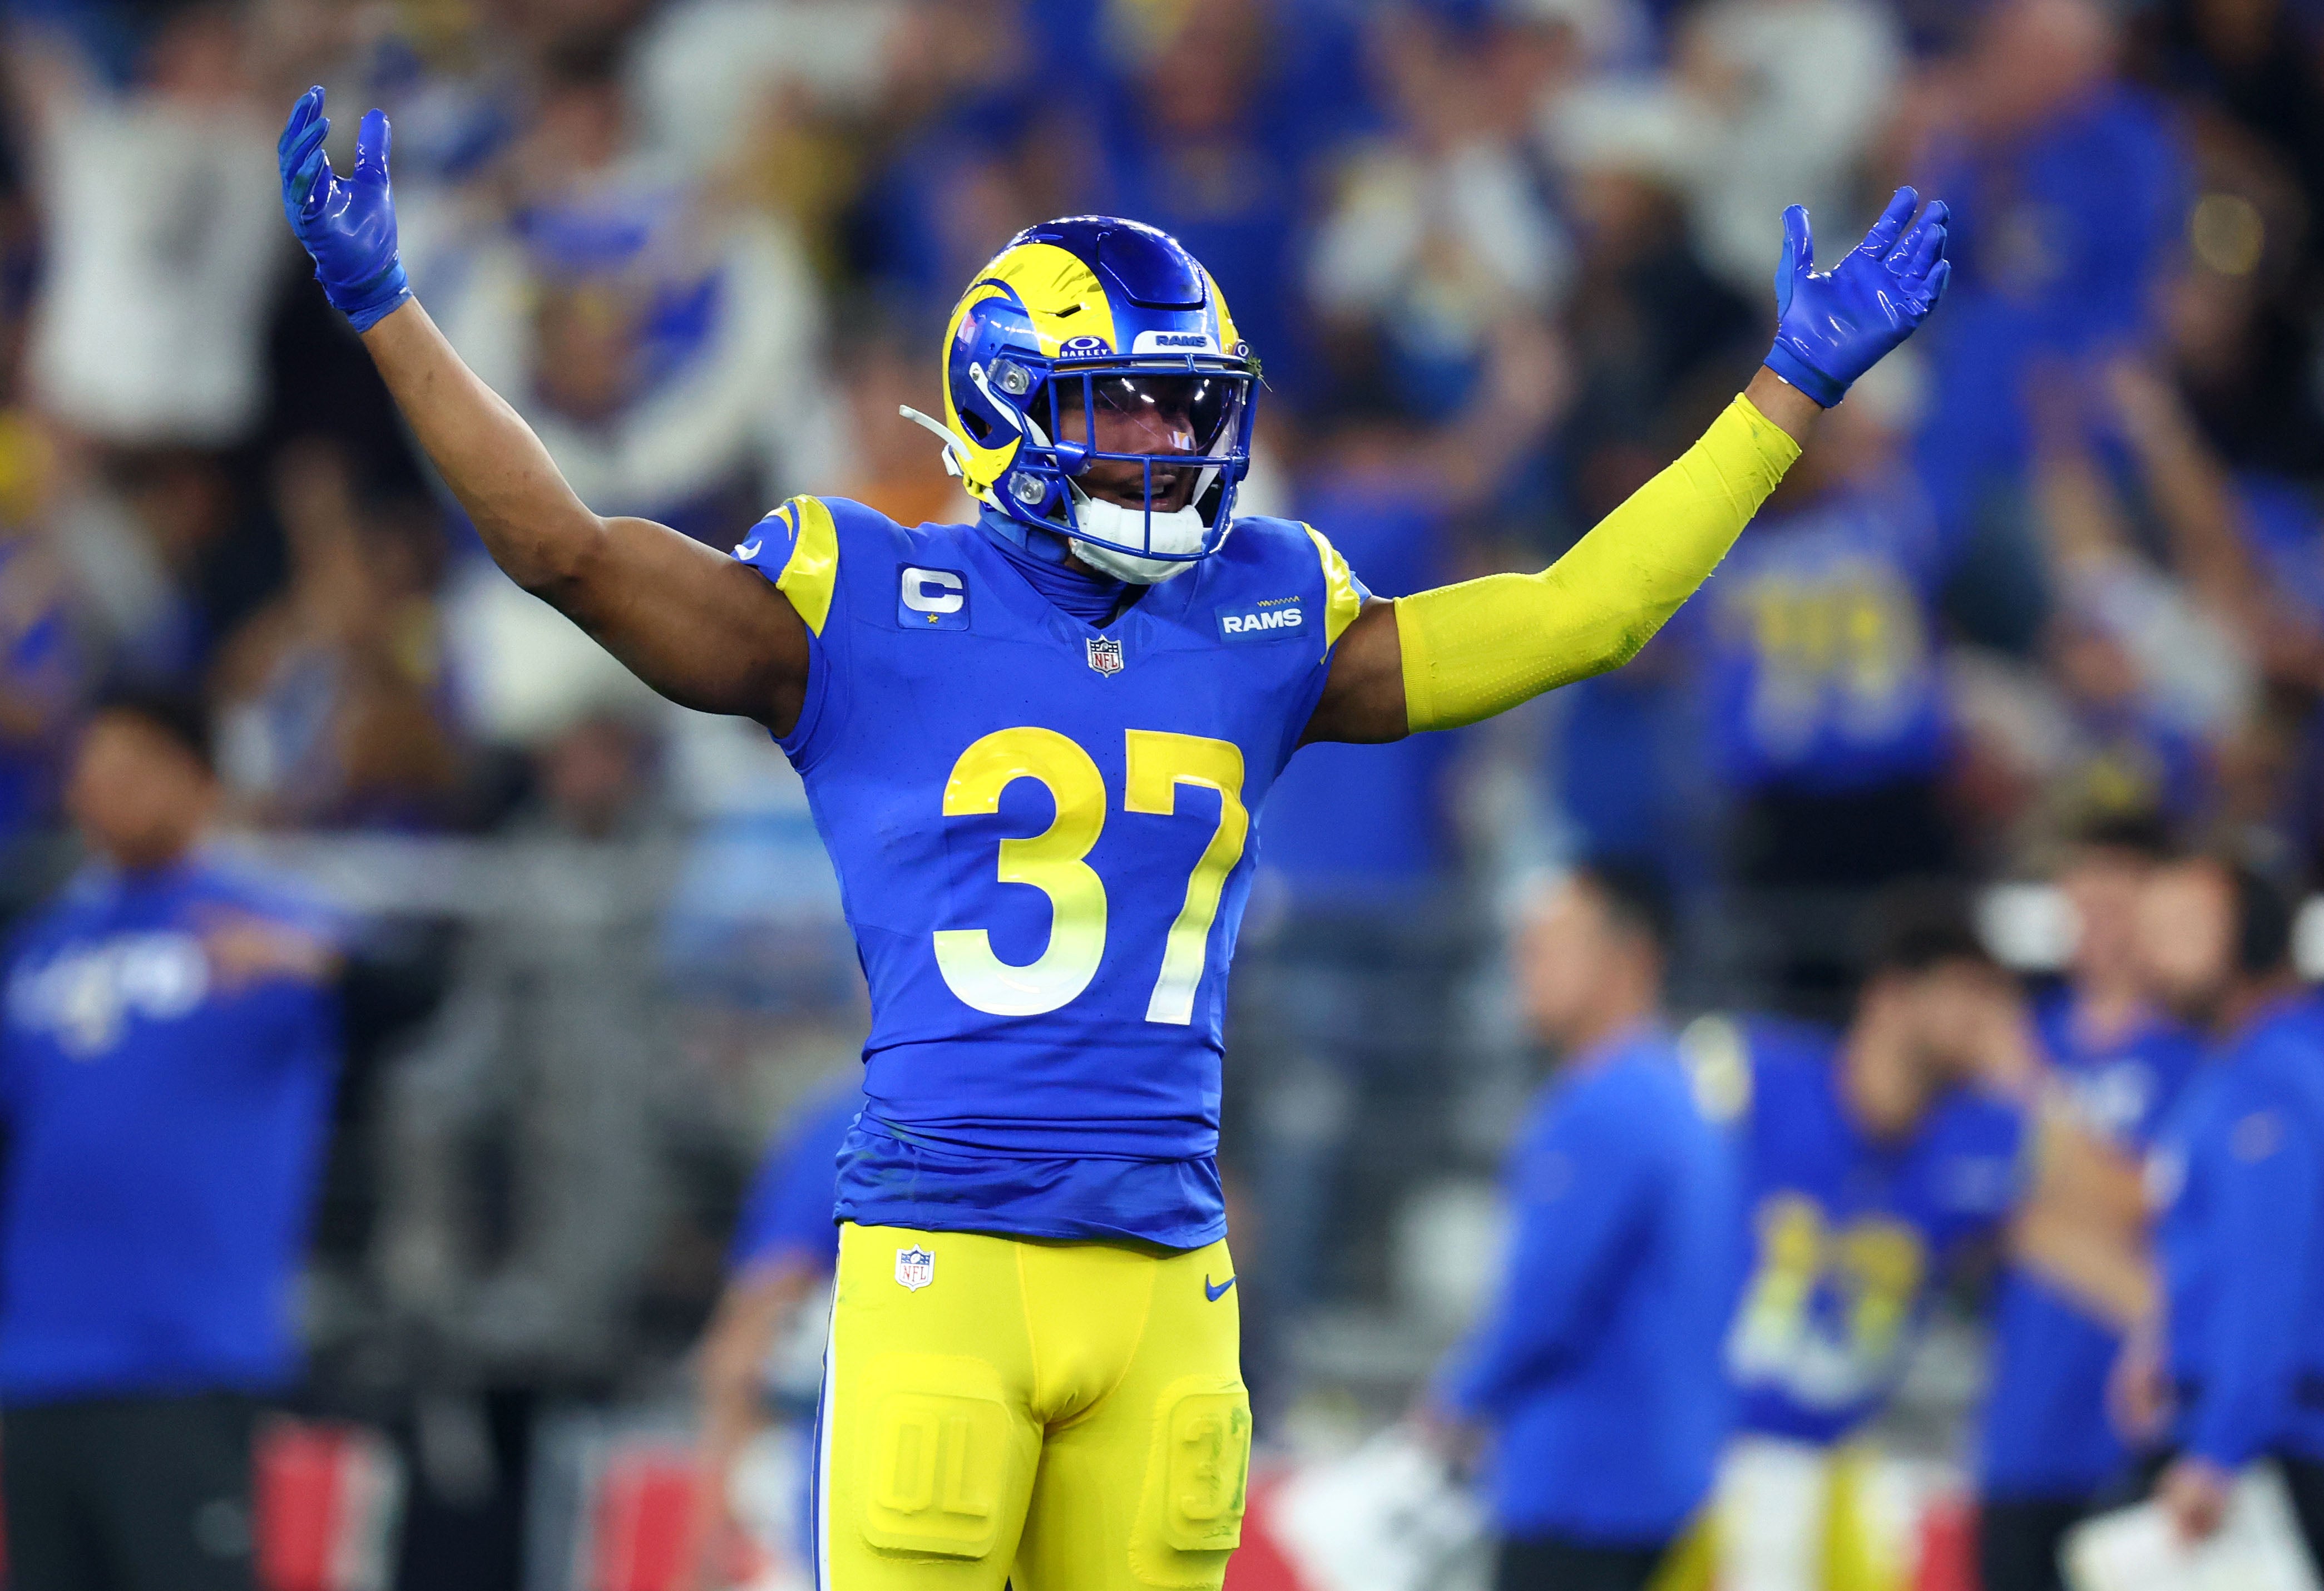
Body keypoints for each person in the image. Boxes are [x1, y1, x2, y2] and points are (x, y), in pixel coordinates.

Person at [276, 81, 1949, 1587]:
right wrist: (387, 311)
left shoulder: (1264, 609)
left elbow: (1580, 614)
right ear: (1006, 405)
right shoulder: (864, 597)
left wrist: (1782, 393)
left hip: (1163, 1264)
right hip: (945, 1245)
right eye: (1125, 406)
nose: (1170, 444)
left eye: (1185, 408)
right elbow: (565, 550)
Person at [0, 689, 343, 1591]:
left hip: (184, 1357)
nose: (103, 792)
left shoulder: (263, 924)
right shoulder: (40, 947)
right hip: (36, 1362)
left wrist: (317, 965)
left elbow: (419, 997)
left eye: (131, 769)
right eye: (92, 771)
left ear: (199, 783)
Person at [1692, 890, 2030, 1591]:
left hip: (1835, 1460)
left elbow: (2114, 1213)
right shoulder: (1757, 1075)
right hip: (1696, 1448)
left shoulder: (1983, 1137)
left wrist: (2030, 1082)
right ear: (1890, 996)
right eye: (1964, 995)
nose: (1982, 1022)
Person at [1424, 862, 1738, 1591]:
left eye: (1546, 946)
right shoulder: (1680, 1094)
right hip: (1659, 1485)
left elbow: (1542, 1305)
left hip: (1579, 1490)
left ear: (1628, 957)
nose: (1522, 967)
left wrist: (1454, 1402)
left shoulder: (1598, 1107)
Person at [1975, 816, 2201, 1591]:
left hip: (2133, 1433)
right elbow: (1984, 1213)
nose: (2094, 925)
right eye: (2081, 902)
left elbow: (2150, 1205)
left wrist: (2036, 1107)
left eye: (2116, 902)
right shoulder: (2022, 1040)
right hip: (2018, 1431)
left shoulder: (2192, 1060)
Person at [2120, 855, 2324, 1563]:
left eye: (2179, 928)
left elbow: (2266, 1276)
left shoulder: (2269, 1081)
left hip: (2281, 1449)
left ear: (2254, 936)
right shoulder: (2239, 1067)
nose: (2151, 954)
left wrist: (2219, 1448)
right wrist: (2160, 1342)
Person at [681, 1077, 868, 1588]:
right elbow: (751, 1335)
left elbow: (745, 1342)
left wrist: (701, 1549)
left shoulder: (866, 1112)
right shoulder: (857, 1119)